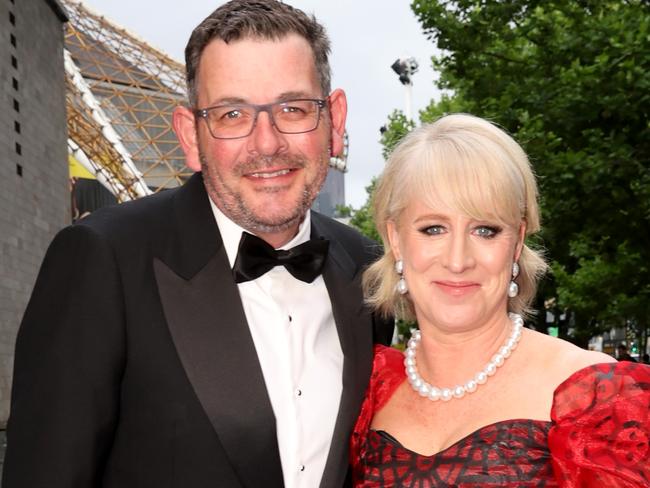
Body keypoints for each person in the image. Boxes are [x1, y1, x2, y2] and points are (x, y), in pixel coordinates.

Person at [3, 2, 393, 487]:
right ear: (191, 135)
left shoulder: (367, 269)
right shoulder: (101, 259)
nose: (267, 143)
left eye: (293, 108)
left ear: (333, 118)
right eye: (232, 114)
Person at [350, 114, 650, 487]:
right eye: (433, 229)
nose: (458, 259)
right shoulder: (367, 387)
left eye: (485, 230)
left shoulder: (600, 397)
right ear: (396, 239)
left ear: (517, 241)